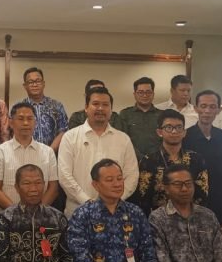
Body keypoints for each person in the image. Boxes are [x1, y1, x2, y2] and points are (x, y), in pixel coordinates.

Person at [58, 87, 138, 217]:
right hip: (78, 212)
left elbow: (132, 175)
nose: (100, 108)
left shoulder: (123, 139)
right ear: (86, 107)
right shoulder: (70, 137)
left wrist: (114, 200)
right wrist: (88, 202)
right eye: (95, 104)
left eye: (105, 105)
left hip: (114, 212)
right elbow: (64, 176)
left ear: (111, 109)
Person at [0, 102, 60, 212]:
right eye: (20, 119)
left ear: (35, 123)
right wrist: (18, 214)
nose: (25, 123)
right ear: (11, 123)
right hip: (7, 216)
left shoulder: (48, 152)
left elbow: (53, 189)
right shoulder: (0, 151)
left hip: (41, 216)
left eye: (30, 119)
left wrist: (37, 213)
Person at [131, 109, 209, 216]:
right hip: (158, 219)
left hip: (191, 218)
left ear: (184, 132)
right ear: (159, 132)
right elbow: (143, 197)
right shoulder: (148, 161)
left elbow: (203, 194)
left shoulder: (196, 159)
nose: (174, 131)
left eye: (179, 127)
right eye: (168, 127)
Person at [184, 90, 222, 242]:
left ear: (219, 110)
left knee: (220, 251)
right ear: (195, 108)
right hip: (192, 207)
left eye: (212, 106)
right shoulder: (185, 137)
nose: (207, 111)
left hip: (221, 207)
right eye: (203, 106)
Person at [18, 67, 69, 151]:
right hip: (26, 153)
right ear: (25, 86)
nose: (35, 85)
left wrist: (49, 151)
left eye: (38, 81)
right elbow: (15, 132)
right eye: (30, 82)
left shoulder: (56, 106)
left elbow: (63, 131)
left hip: (52, 154)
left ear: (43, 83)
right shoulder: (19, 108)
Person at [119, 76, 161, 159]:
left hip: (158, 160)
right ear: (134, 94)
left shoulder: (162, 115)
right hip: (131, 159)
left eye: (148, 92)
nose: (145, 95)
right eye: (140, 92)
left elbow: (165, 139)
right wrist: (141, 158)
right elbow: (122, 139)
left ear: (153, 94)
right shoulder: (125, 114)